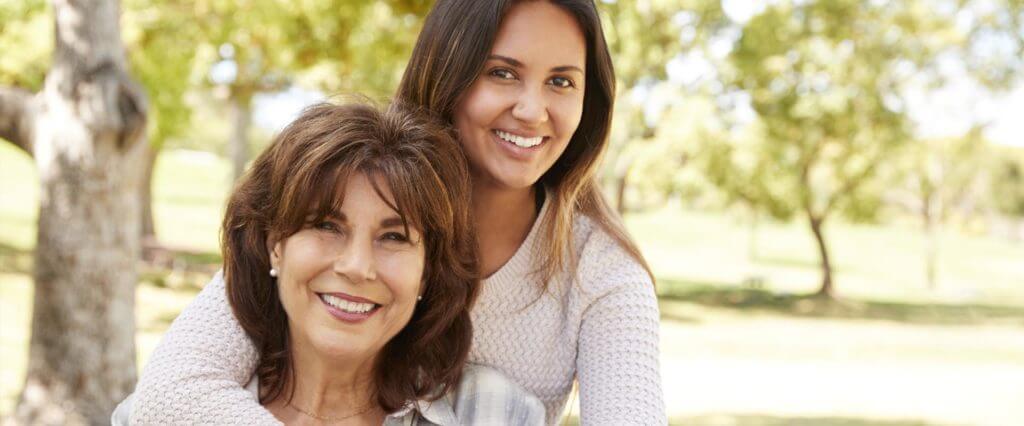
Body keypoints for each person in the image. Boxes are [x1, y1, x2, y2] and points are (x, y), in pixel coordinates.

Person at [132, 0, 665, 424]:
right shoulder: (350, 190)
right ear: (448, 72)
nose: (531, 110)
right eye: (502, 73)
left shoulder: (602, 273)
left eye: (561, 81)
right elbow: (173, 392)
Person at [118, 102, 544, 425]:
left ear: (428, 270)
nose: (357, 266)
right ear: (275, 246)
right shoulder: (162, 411)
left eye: (394, 237)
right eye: (326, 225)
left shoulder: (494, 413)